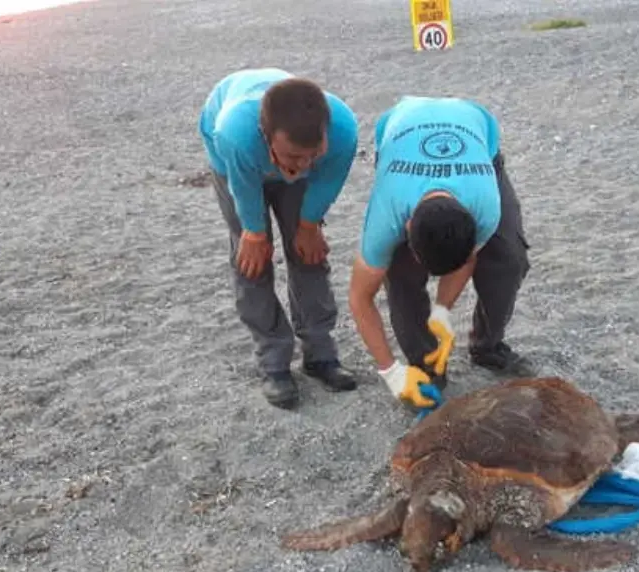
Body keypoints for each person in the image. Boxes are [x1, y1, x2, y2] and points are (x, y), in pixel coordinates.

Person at [347, 95, 536, 409]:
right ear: (407, 226)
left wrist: (442, 311)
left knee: (509, 259)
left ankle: (487, 346)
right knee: (403, 276)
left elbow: (468, 256)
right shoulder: (387, 214)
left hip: (476, 135)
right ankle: (425, 367)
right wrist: (390, 372)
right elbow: (359, 297)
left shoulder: (485, 208)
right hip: (400, 131)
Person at [198, 68, 359, 409]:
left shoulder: (343, 131)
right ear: (266, 135)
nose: (301, 166)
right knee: (252, 263)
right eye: (293, 157)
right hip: (235, 163)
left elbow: (326, 180)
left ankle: (320, 355)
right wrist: (253, 233)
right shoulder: (235, 133)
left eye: (312, 155)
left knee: (309, 254)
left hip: (276, 151)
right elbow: (243, 190)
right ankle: (274, 363)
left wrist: (309, 224)